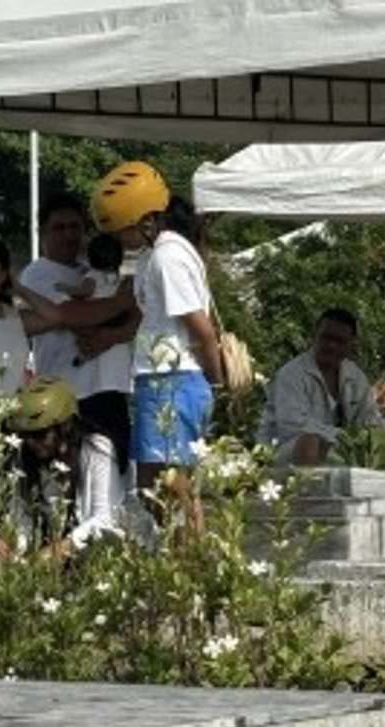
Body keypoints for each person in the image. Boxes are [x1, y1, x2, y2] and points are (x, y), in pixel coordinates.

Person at [0, 236, 131, 477]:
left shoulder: (16, 318)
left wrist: (20, 288)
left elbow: (55, 316)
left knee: (3, 492)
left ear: (3, 274)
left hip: (7, 416)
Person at [93, 161, 222, 507]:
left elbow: (200, 328)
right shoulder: (159, 255)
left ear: (144, 221)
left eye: (123, 230)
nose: (121, 239)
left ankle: (188, 557)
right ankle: (175, 554)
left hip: (173, 379)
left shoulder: (168, 258)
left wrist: (217, 380)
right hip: (158, 380)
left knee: (172, 488)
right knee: (154, 488)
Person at [19, 194, 140, 478]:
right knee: (67, 481)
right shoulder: (38, 275)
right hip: (65, 395)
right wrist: (122, 303)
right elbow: (71, 314)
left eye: (74, 227)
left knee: (113, 474)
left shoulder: (96, 272)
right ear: (42, 232)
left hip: (108, 387)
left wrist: (111, 334)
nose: (68, 235)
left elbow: (139, 315)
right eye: (58, 228)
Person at [8, 378, 154, 557]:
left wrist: (61, 549)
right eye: (25, 435)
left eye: (39, 434)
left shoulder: (97, 448)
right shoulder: (27, 460)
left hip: (116, 551)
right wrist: (13, 543)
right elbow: (23, 518)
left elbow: (106, 519)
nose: (31, 443)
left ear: (65, 426)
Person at [257, 308, 385, 466]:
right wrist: (345, 438)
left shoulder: (355, 376)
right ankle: (307, 489)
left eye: (340, 341)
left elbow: (370, 418)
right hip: (282, 453)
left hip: (337, 452)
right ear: (315, 336)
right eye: (326, 338)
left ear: (351, 344)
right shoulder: (292, 374)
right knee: (310, 441)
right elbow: (291, 425)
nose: (331, 345)